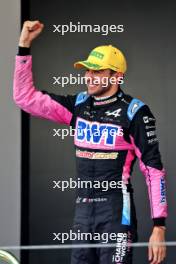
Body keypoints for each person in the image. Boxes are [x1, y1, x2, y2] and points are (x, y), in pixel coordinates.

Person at [13, 20, 168, 264]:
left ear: (116, 76)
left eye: (97, 71)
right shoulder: (77, 106)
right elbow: (25, 99)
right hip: (83, 213)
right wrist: (23, 47)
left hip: (117, 215)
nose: (89, 77)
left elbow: (154, 170)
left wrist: (159, 227)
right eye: (87, 70)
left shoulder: (135, 112)